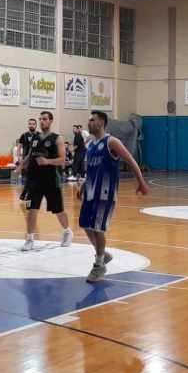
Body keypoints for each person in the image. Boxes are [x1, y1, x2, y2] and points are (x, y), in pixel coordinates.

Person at [76, 111, 149, 282]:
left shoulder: (112, 142)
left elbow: (131, 160)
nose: (89, 122)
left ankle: (99, 265)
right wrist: (83, 185)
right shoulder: (91, 144)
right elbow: (91, 168)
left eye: (92, 120)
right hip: (90, 190)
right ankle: (103, 254)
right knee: (85, 225)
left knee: (98, 228)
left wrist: (141, 182)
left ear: (101, 122)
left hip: (105, 192)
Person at [22, 110, 73, 251]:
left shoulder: (58, 138)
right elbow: (29, 155)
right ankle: (29, 239)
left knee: (58, 210)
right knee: (31, 209)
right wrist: (20, 166)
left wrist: (47, 161)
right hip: (34, 180)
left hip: (51, 179)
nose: (42, 121)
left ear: (51, 121)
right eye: (40, 119)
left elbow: (62, 160)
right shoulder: (35, 138)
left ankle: (67, 231)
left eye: (44, 119)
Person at [16, 118, 40, 201]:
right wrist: (19, 158)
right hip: (26, 160)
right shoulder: (24, 135)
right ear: (28, 125)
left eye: (33, 124)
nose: (31, 125)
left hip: (37, 160)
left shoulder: (39, 135)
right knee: (30, 178)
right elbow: (19, 147)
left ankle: (24, 195)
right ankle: (26, 195)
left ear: (36, 125)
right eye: (30, 124)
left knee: (32, 178)